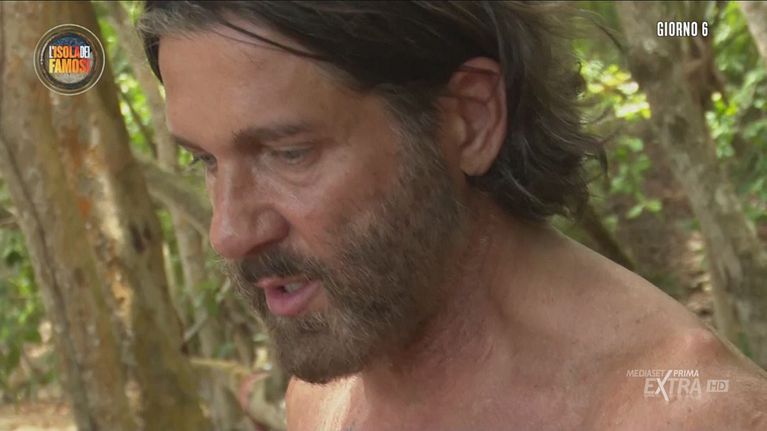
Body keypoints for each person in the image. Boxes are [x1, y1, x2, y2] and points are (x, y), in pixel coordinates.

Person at [137, 2, 767, 429]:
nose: (228, 232)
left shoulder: (685, 410)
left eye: (289, 153)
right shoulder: (323, 400)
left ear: (469, 118)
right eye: (204, 161)